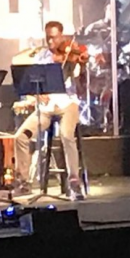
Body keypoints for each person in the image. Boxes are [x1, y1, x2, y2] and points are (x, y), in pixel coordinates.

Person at [12, 21, 85, 201]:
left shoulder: (70, 56)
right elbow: (34, 82)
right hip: (45, 109)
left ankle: (74, 183)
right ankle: (23, 182)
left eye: (54, 37)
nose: (50, 41)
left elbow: (77, 76)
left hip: (67, 105)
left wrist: (78, 62)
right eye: (48, 37)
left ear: (61, 36)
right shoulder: (41, 57)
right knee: (21, 136)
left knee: (67, 135)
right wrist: (38, 95)